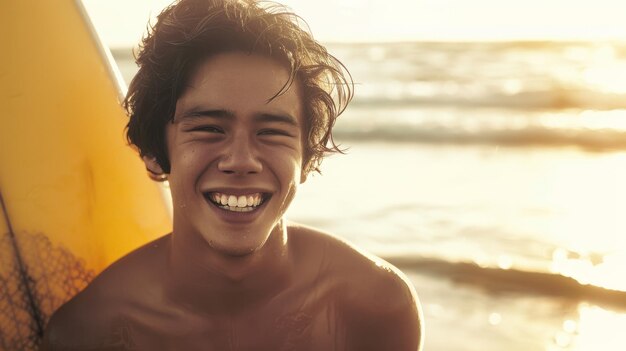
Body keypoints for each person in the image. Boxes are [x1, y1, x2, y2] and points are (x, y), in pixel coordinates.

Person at [41, 0, 423, 349]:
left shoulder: (371, 306)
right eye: (209, 128)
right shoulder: (88, 332)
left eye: (271, 131)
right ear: (157, 152)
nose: (242, 160)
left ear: (305, 158)